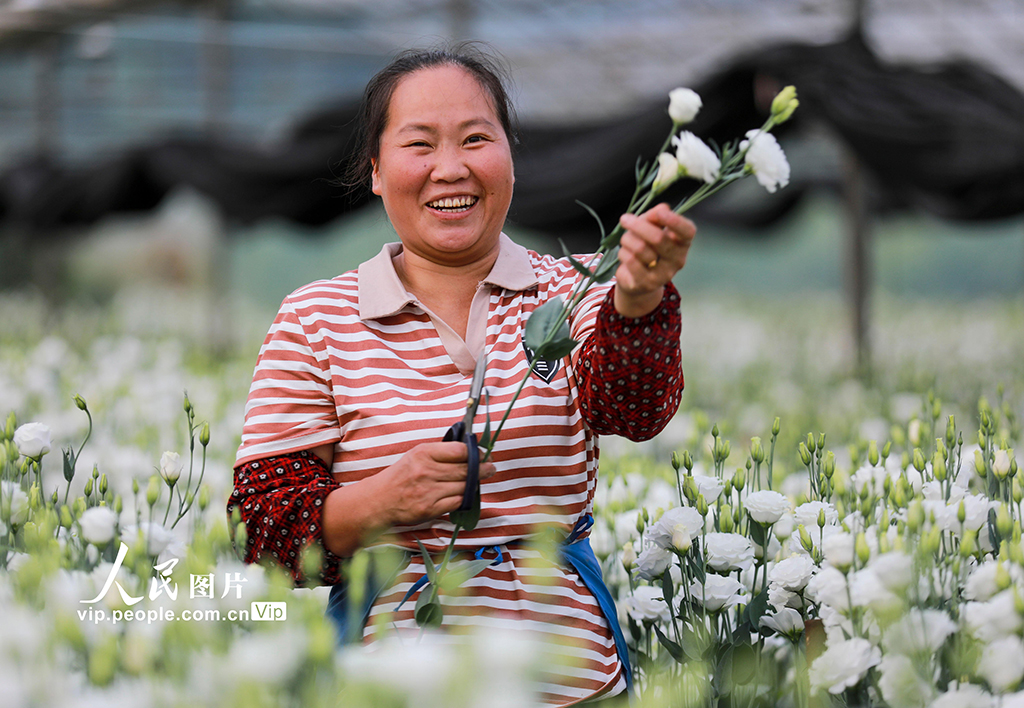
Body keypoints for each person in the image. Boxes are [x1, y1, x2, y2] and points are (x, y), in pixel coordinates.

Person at [228, 43, 695, 706]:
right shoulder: (316, 319)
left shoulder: (581, 288)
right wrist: (380, 502)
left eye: (476, 138)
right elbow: (260, 534)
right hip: (391, 682)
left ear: (510, 156)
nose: (451, 168)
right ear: (378, 172)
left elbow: (633, 411)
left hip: (565, 678)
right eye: (419, 144)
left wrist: (640, 301)